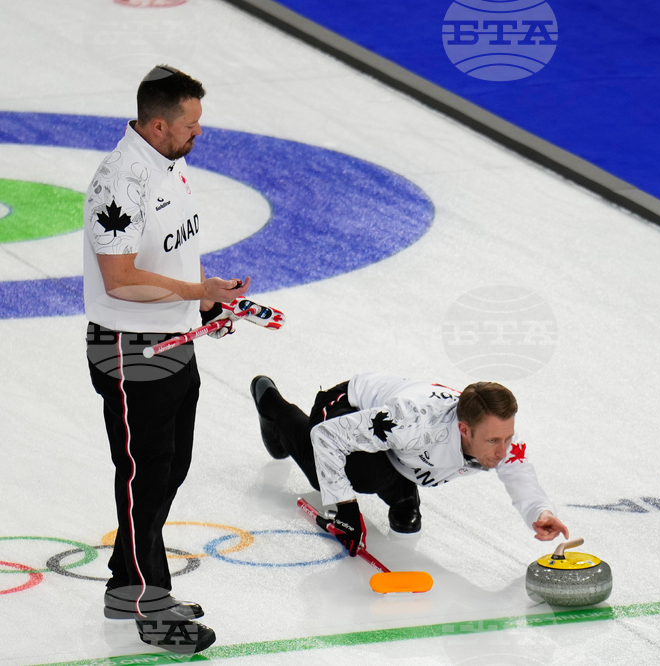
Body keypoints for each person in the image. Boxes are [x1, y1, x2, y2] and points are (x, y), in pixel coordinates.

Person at [85, 65, 251, 653]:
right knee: (144, 479)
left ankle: (124, 582)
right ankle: (152, 610)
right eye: (191, 124)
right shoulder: (120, 181)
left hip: (172, 343)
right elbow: (121, 279)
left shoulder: (169, 166)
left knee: (167, 470)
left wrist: (206, 297)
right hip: (132, 353)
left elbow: (169, 256)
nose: (197, 133)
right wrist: (194, 296)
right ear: (158, 125)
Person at [250, 373, 569, 555]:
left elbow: (517, 469)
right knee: (354, 475)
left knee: (382, 476)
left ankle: (401, 489)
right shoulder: (411, 422)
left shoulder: (494, 430)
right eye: (493, 442)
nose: (503, 451)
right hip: (344, 409)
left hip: (397, 448)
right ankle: (273, 407)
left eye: (507, 438)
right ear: (464, 429)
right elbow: (327, 437)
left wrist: (540, 512)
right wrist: (343, 507)